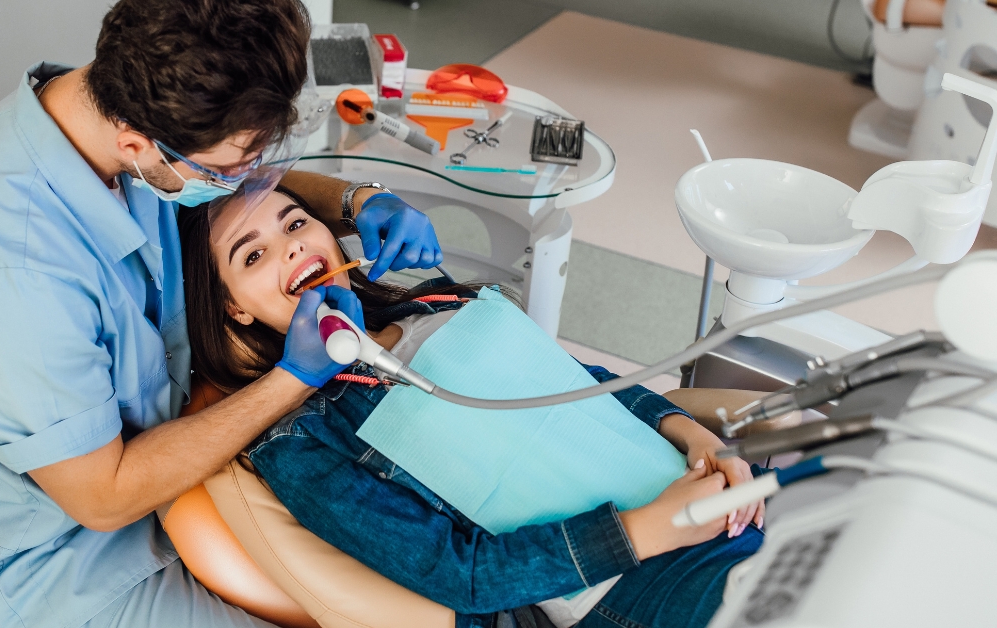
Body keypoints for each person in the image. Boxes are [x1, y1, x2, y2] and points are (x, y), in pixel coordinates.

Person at [0, 1, 445, 626]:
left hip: (187, 461)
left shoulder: (125, 103)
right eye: (230, 167)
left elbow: (246, 183)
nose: (253, 180)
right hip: (72, 555)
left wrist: (356, 201)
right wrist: (293, 378)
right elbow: (104, 499)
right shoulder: (11, 280)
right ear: (136, 144)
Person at [178, 188, 768, 628]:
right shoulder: (302, 443)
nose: (292, 248)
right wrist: (650, 530)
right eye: (252, 257)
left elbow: (580, 384)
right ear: (235, 311)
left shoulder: (439, 300)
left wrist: (696, 436)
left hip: (711, 485)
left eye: (297, 222)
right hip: (629, 579)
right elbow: (461, 574)